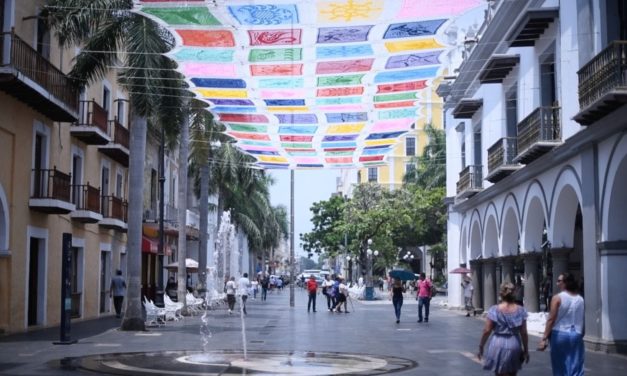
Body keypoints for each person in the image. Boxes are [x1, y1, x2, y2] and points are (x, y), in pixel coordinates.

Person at [478, 282, 530, 375]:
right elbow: (524, 333)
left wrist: (481, 346)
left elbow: (487, 330)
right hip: (514, 343)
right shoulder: (521, 310)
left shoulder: (494, 309)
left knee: (499, 373)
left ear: (501, 293)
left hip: (498, 343)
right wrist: (526, 349)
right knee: (512, 373)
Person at [538, 272, 584, 376]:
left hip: (560, 333)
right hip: (576, 334)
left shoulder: (557, 298)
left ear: (566, 283)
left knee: (560, 365)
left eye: (559, 281)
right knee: (576, 365)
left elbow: (551, 319)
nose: (557, 283)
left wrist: (544, 337)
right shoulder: (580, 299)